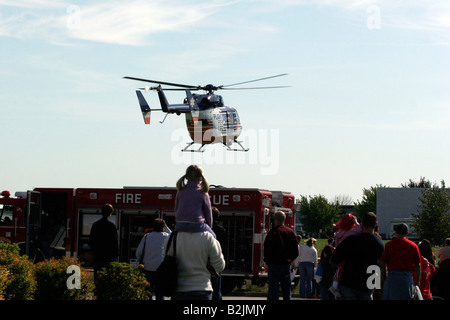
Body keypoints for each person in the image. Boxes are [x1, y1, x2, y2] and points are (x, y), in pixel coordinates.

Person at [331, 212, 385, 300]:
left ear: (362, 223)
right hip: (368, 285)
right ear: (375, 225)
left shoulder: (350, 241)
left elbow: (335, 260)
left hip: (348, 283)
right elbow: (380, 266)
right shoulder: (380, 244)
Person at [168, 230, 225, 300]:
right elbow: (219, 267)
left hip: (179, 289)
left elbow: (165, 260)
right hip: (202, 288)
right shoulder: (208, 237)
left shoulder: (172, 237)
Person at [380, 223, 421, 300]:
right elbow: (417, 264)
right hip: (406, 277)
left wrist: (384, 276)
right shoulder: (413, 246)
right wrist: (418, 280)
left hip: (392, 276)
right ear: (407, 233)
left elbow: (383, 263)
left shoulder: (389, 245)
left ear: (396, 232)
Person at [263, 211, 299, 300]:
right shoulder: (290, 232)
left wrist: (268, 261)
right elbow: (295, 251)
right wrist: (290, 260)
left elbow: (266, 249)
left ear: (275, 220)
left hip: (273, 265)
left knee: (273, 289)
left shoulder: (272, 233)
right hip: (286, 265)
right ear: (284, 219)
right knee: (286, 290)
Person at [174, 165, 215, 237]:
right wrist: (209, 227)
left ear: (186, 177)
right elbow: (208, 212)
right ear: (201, 178)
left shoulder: (180, 191)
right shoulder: (203, 192)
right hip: (197, 224)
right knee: (213, 237)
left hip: (180, 224)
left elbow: (176, 208)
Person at [135, 218, 171, 300]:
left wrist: (140, 261)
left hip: (148, 268)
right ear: (163, 227)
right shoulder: (166, 236)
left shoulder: (146, 236)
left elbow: (139, 252)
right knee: (160, 293)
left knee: (148, 293)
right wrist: (167, 227)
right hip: (161, 269)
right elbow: (173, 235)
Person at [329, 213, 362, 297]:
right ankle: (334, 287)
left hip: (339, 253)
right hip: (347, 255)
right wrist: (356, 222)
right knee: (341, 270)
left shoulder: (339, 233)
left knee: (338, 270)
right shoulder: (350, 232)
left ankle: (334, 286)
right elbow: (360, 229)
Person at [89, 203, 119, 281]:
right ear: (110, 213)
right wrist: (115, 256)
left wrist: (94, 252)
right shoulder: (111, 226)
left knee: (98, 280)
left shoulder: (95, 225)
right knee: (108, 281)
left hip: (98, 258)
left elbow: (91, 241)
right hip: (109, 258)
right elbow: (115, 243)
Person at [211, 207, 226, 300]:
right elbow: (223, 247)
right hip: (216, 262)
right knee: (216, 289)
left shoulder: (204, 230)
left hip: (204, 262)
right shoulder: (221, 230)